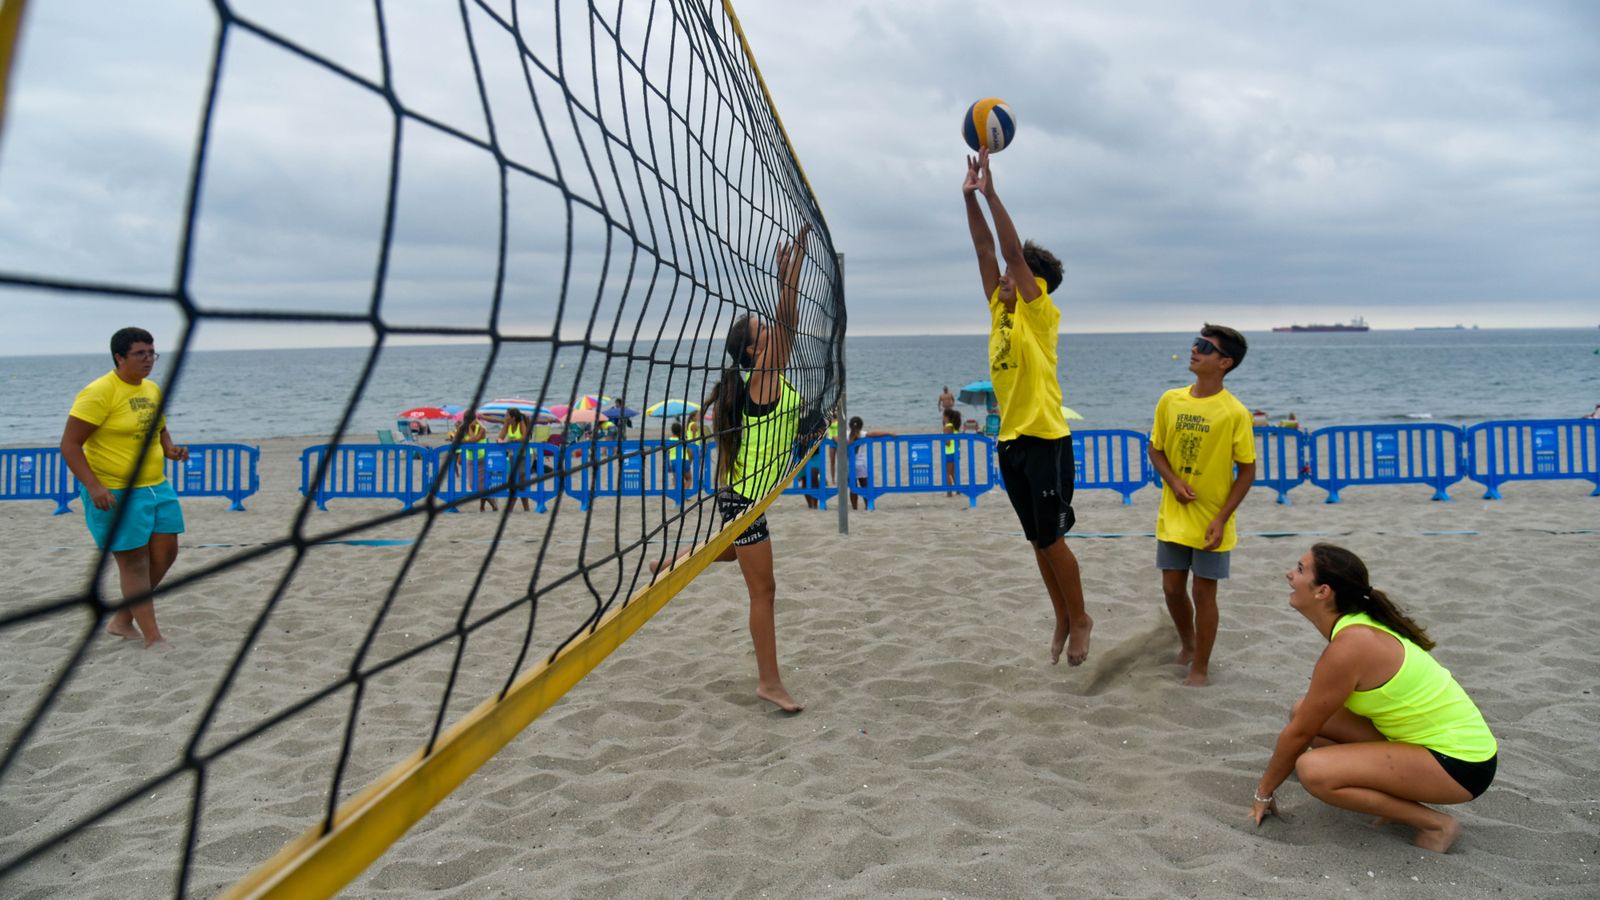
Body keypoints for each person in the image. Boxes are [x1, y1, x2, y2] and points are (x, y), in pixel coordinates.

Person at [652, 223, 812, 713]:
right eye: (763, 334)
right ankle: (769, 683)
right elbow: (787, 325)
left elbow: (785, 328)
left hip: (741, 495)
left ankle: (674, 560)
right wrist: (790, 279)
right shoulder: (761, 377)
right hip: (746, 502)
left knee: (733, 556)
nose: (772, 334)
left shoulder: (760, 379)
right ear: (752, 351)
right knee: (763, 590)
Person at [1249, 544, 1498, 853]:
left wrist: (1264, 791)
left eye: (1300, 569)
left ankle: (1435, 823)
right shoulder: (1356, 626)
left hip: (1462, 764)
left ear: (1322, 591)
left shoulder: (1350, 646)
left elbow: (1299, 733)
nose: (1289, 574)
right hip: (1430, 744)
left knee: (1315, 771)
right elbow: (1306, 722)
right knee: (1305, 712)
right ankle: (1393, 797)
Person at [962, 148, 1093, 666]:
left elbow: (1011, 254)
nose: (1003, 278)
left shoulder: (1041, 313)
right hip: (1011, 440)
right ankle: (1061, 614)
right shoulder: (1000, 307)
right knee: (1038, 541)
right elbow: (982, 249)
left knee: (1053, 536)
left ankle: (1080, 616)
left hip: (1044, 437)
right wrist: (968, 196)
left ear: (1035, 284)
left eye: (1013, 275)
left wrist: (993, 193)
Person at [59, 327, 188, 648]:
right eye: (140, 354)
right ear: (120, 357)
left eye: (152, 353)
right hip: (115, 491)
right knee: (134, 562)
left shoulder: (152, 390)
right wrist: (93, 486)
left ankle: (122, 619)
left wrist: (171, 449)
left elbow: (159, 429)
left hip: (157, 486)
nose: (148, 359)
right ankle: (153, 637)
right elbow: (70, 445)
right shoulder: (99, 392)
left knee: (166, 553)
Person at [1146, 325, 1256, 687]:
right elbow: (1156, 449)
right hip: (1174, 514)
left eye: (1205, 347)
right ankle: (1188, 644)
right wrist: (1173, 482)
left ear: (1225, 362)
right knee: (1172, 589)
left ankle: (1201, 668)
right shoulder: (1170, 399)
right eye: (1196, 343)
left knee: (1203, 593)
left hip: (1213, 519)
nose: (1194, 350)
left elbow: (1247, 470)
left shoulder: (1234, 412)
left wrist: (1223, 517)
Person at [845, 416, 893, 511]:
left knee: (853, 488)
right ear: (861, 426)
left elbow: (835, 438)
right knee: (865, 486)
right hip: (861, 465)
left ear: (849, 426)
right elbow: (874, 434)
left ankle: (854, 507)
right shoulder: (862, 434)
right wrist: (889, 432)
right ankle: (868, 505)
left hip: (849, 465)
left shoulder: (845, 434)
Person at [458, 411, 497, 512]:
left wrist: (470, 429)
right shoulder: (462, 429)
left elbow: (473, 440)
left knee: (483, 484)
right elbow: (456, 440)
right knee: (473, 484)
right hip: (470, 459)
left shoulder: (482, 429)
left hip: (482, 459)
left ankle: (483, 506)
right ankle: (491, 501)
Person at [498, 409, 531, 511]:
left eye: (507, 415)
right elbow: (500, 437)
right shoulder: (507, 424)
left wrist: (513, 440)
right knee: (513, 480)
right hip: (513, 455)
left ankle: (513, 507)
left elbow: (525, 438)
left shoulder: (521, 422)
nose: (505, 417)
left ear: (513, 417)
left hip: (525, 455)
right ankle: (526, 508)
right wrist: (504, 427)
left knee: (520, 480)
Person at [942, 407, 963, 497]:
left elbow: (947, 442)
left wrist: (942, 440)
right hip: (956, 452)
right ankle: (958, 490)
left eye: (943, 416)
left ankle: (949, 492)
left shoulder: (947, 427)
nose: (942, 418)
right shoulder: (955, 427)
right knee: (953, 473)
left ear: (947, 417)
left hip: (949, 452)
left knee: (948, 473)